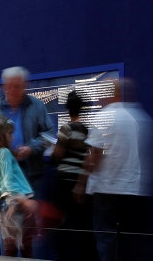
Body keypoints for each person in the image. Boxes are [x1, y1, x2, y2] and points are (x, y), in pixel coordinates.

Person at [84, 78, 153, 261]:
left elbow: (94, 155)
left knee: (107, 239)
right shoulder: (141, 117)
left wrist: (82, 180)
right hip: (136, 189)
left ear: (110, 94)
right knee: (132, 241)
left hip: (107, 188)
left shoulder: (104, 116)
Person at [0, 66, 54, 197]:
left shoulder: (36, 106)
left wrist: (31, 148)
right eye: (9, 86)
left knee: (31, 212)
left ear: (24, 86)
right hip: (3, 173)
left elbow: (49, 134)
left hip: (31, 172)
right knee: (7, 214)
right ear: (4, 86)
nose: (12, 90)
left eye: (17, 86)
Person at [0, 115, 38, 257]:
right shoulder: (4, 153)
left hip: (5, 203)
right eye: (9, 133)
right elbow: (8, 179)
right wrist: (22, 201)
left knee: (9, 245)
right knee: (26, 246)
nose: (12, 137)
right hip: (17, 200)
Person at [50, 91, 97, 261]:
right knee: (81, 225)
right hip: (80, 181)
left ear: (68, 108)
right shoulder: (85, 130)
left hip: (64, 182)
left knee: (62, 224)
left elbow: (57, 154)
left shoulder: (66, 128)